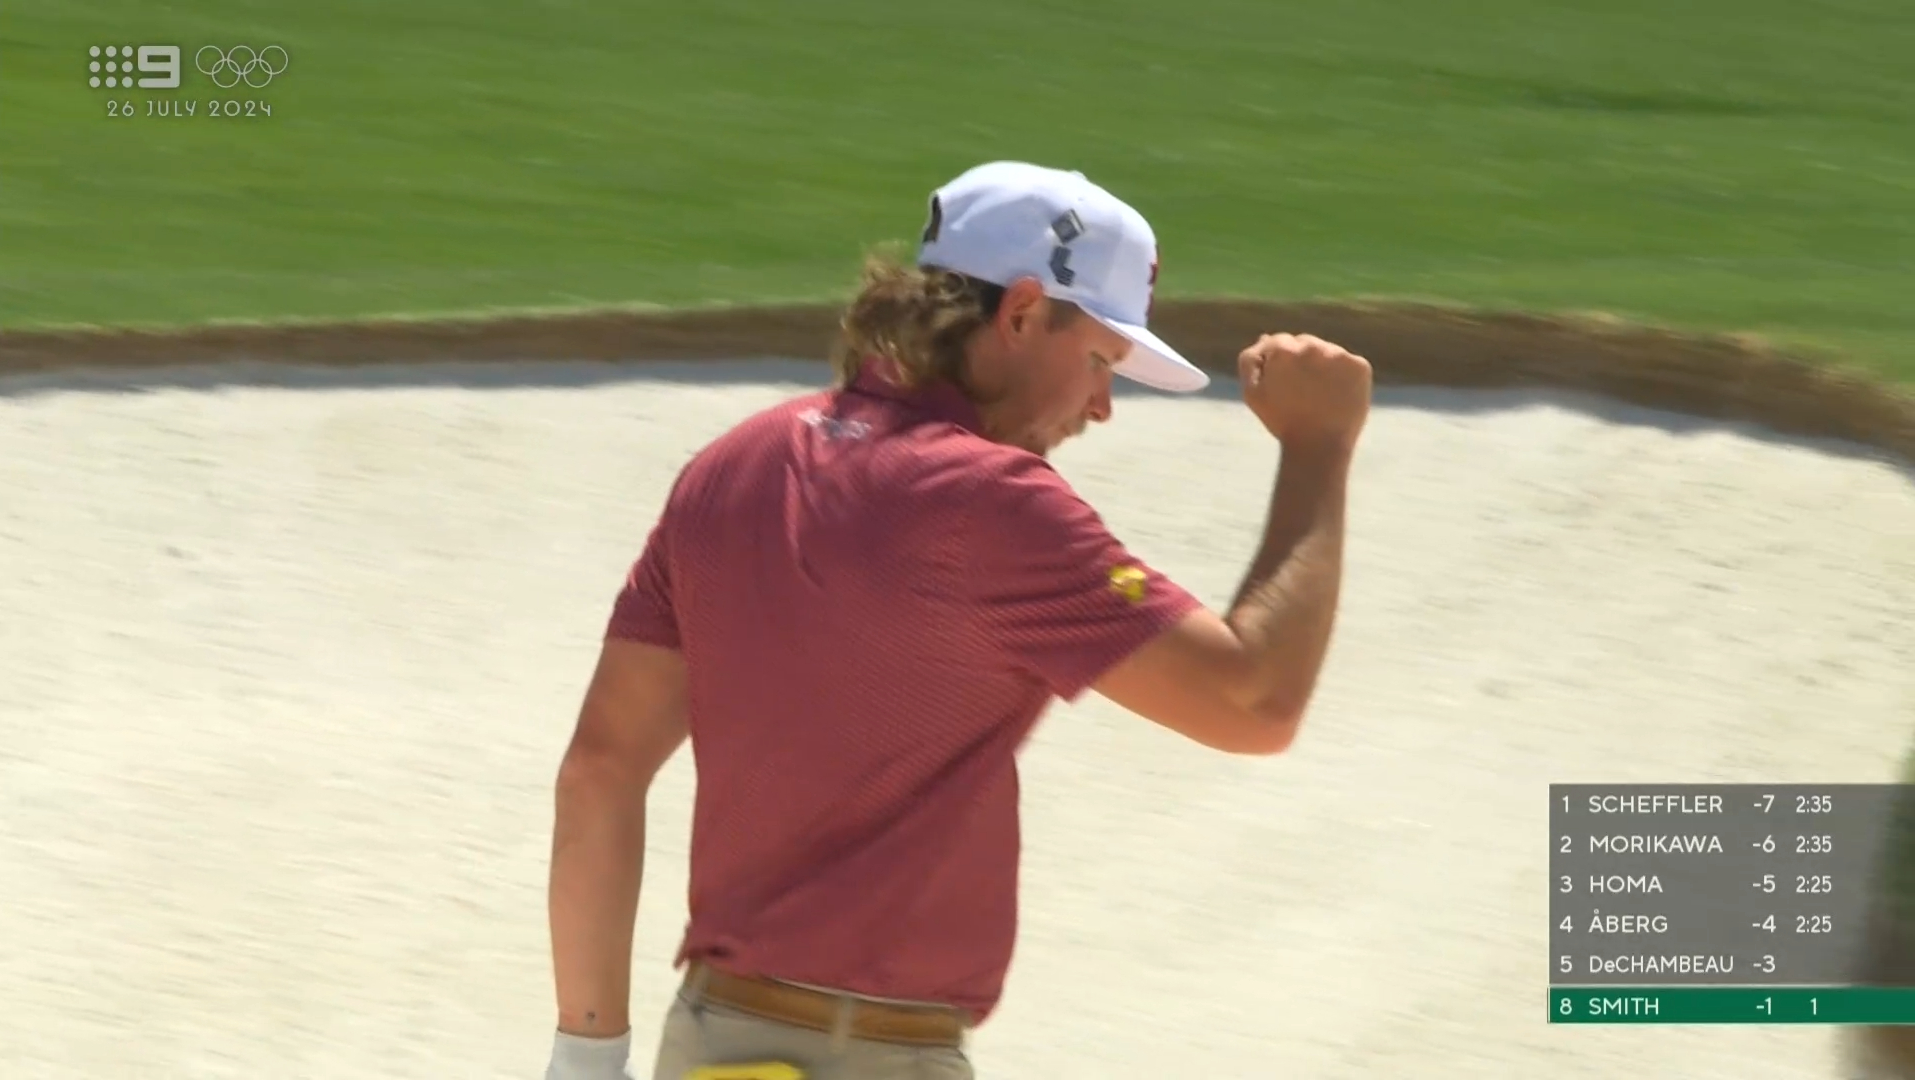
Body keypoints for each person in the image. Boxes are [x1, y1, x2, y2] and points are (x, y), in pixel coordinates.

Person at [541, 160, 1372, 1080]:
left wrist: (584, 1061)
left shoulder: (732, 467)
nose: (1102, 405)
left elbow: (599, 773)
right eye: (1099, 359)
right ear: (1020, 314)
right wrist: (1318, 448)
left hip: (709, 1043)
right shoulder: (995, 503)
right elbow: (1255, 701)